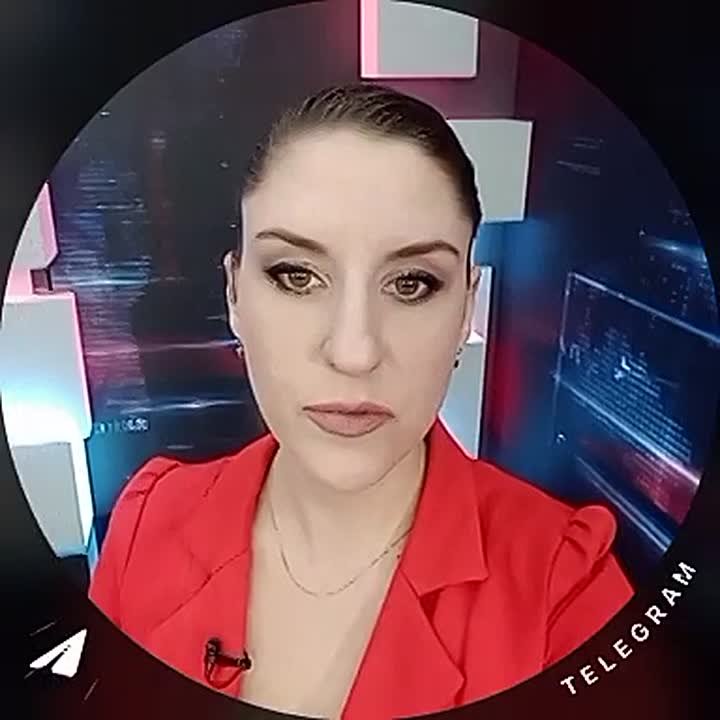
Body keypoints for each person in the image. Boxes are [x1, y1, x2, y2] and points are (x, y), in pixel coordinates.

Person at [89, 83, 634, 719]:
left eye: (412, 283)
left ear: (467, 307)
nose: (354, 352)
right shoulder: (147, 524)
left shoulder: (565, 593)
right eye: (296, 276)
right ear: (235, 294)